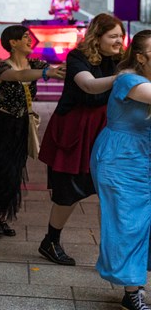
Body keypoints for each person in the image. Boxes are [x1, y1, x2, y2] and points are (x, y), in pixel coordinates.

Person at [37, 14, 124, 265]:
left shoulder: (121, 60)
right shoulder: (77, 57)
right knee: (70, 189)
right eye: (113, 36)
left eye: (120, 36)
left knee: (110, 191)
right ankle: (51, 240)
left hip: (107, 129)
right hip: (76, 128)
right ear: (97, 38)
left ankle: (111, 249)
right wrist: (124, 77)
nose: (119, 41)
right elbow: (89, 86)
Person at [0, 25, 65, 237]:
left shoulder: (37, 63)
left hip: (21, 126)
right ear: (13, 42)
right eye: (26, 37)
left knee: (13, 173)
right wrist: (47, 73)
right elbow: (19, 75)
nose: (31, 41)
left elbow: (56, 70)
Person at [90, 30, 151, 310]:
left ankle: (134, 284)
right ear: (140, 56)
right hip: (120, 160)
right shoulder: (128, 79)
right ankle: (132, 291)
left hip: (143, 158)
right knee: (128, 223)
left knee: (144, 224)